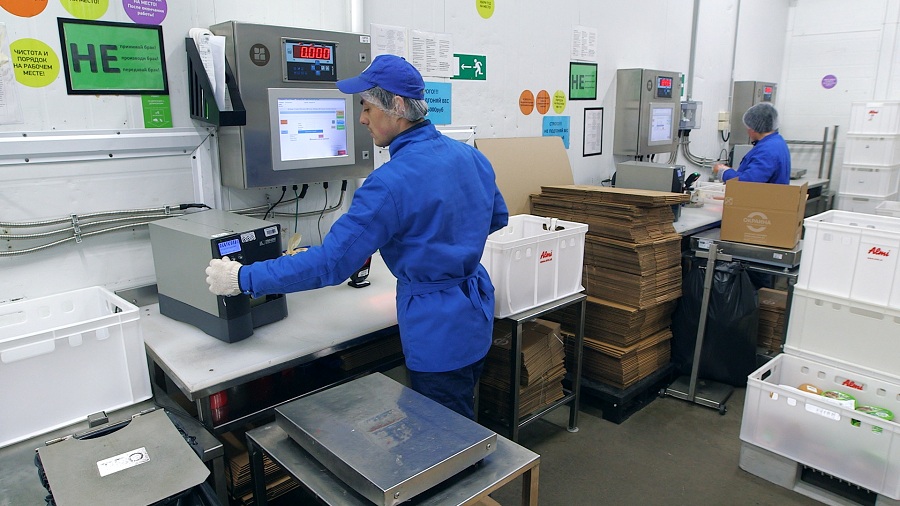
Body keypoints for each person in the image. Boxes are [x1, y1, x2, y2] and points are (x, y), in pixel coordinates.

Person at [205, 54, 509, 420]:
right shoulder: (470, 156)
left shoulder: (389, 183)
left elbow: (330, 265)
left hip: (435, 329)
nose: (362, 119)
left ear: (398, 107)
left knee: (444, 432)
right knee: (461, 409)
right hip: (475, 313)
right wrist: (441, 244)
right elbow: (495, 218)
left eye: (366, 108)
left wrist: (242, 277)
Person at [712, 102, 791, 184]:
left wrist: (723, 172)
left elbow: (748, 182)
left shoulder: (767, 150)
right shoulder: (777, 141)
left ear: (753, 129)